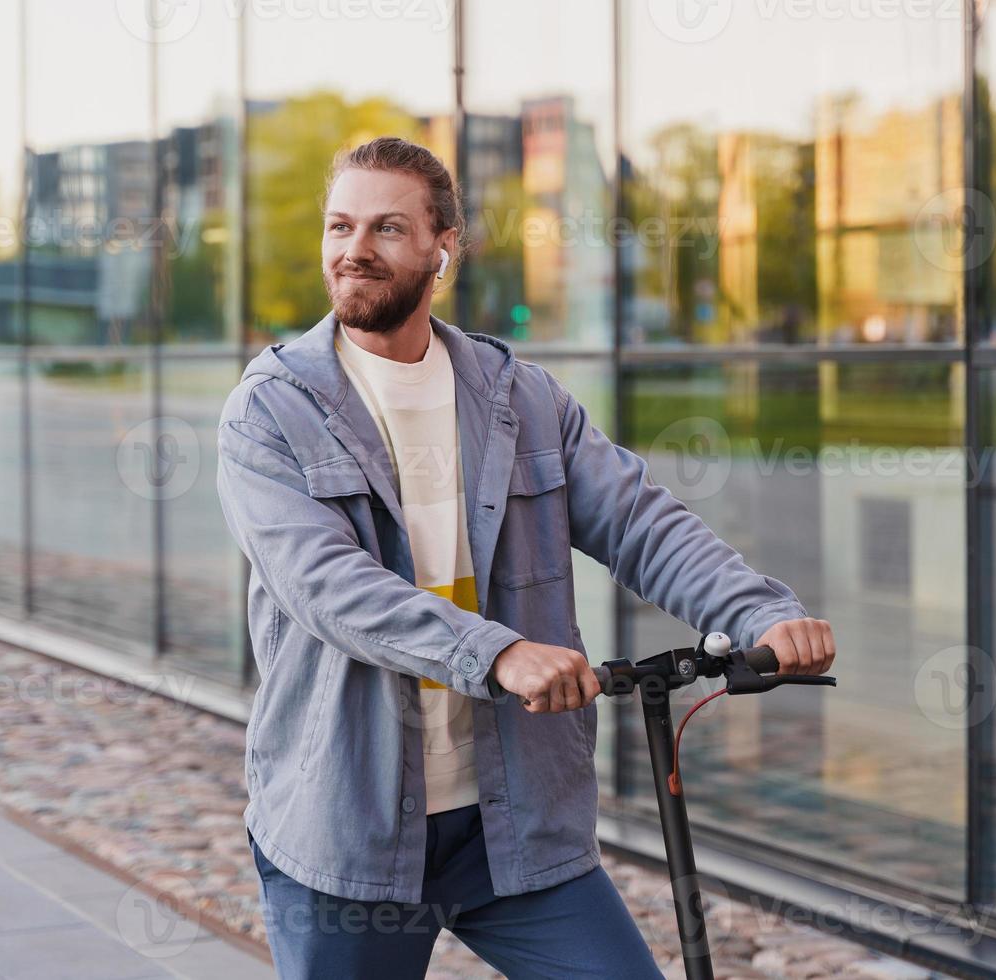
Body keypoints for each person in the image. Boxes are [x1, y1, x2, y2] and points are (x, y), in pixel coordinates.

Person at [216, 136, 836, 979]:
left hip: (512, 824)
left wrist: (759, 611)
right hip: (349, 829)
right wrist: (498, 653)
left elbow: (640, 521)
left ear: (445, 248)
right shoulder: (271, 411)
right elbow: (328, 588)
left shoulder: (519, 396)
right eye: (340, 225)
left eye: (387, 228)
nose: (354, 249)